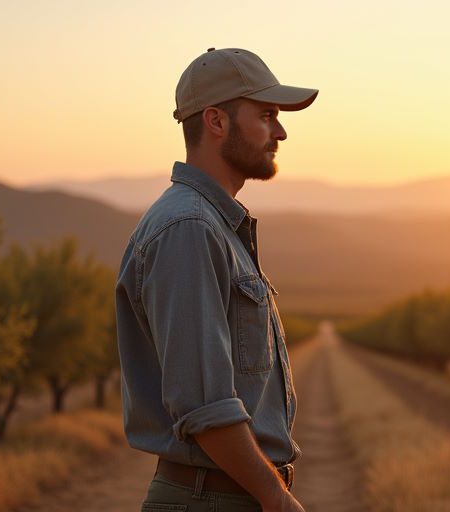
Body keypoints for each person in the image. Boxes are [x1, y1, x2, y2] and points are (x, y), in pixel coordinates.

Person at [115, 47, 317, 512]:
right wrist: (277, 499)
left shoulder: (213, 226)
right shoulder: (189, 228)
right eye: (267, 115)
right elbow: (204, 407)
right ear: (216, 121)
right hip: (209, 501)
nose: (281, 131)